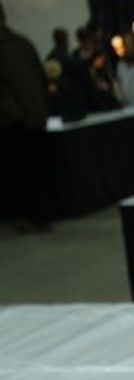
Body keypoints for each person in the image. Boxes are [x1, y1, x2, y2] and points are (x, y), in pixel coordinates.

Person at [0, 2, 52, 231]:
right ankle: (42, 215)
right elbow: (40, 78)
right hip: (35, 115)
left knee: (23, 172)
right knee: (37, 170)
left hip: (14, 120)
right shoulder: (22, 42)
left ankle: (33, 217)